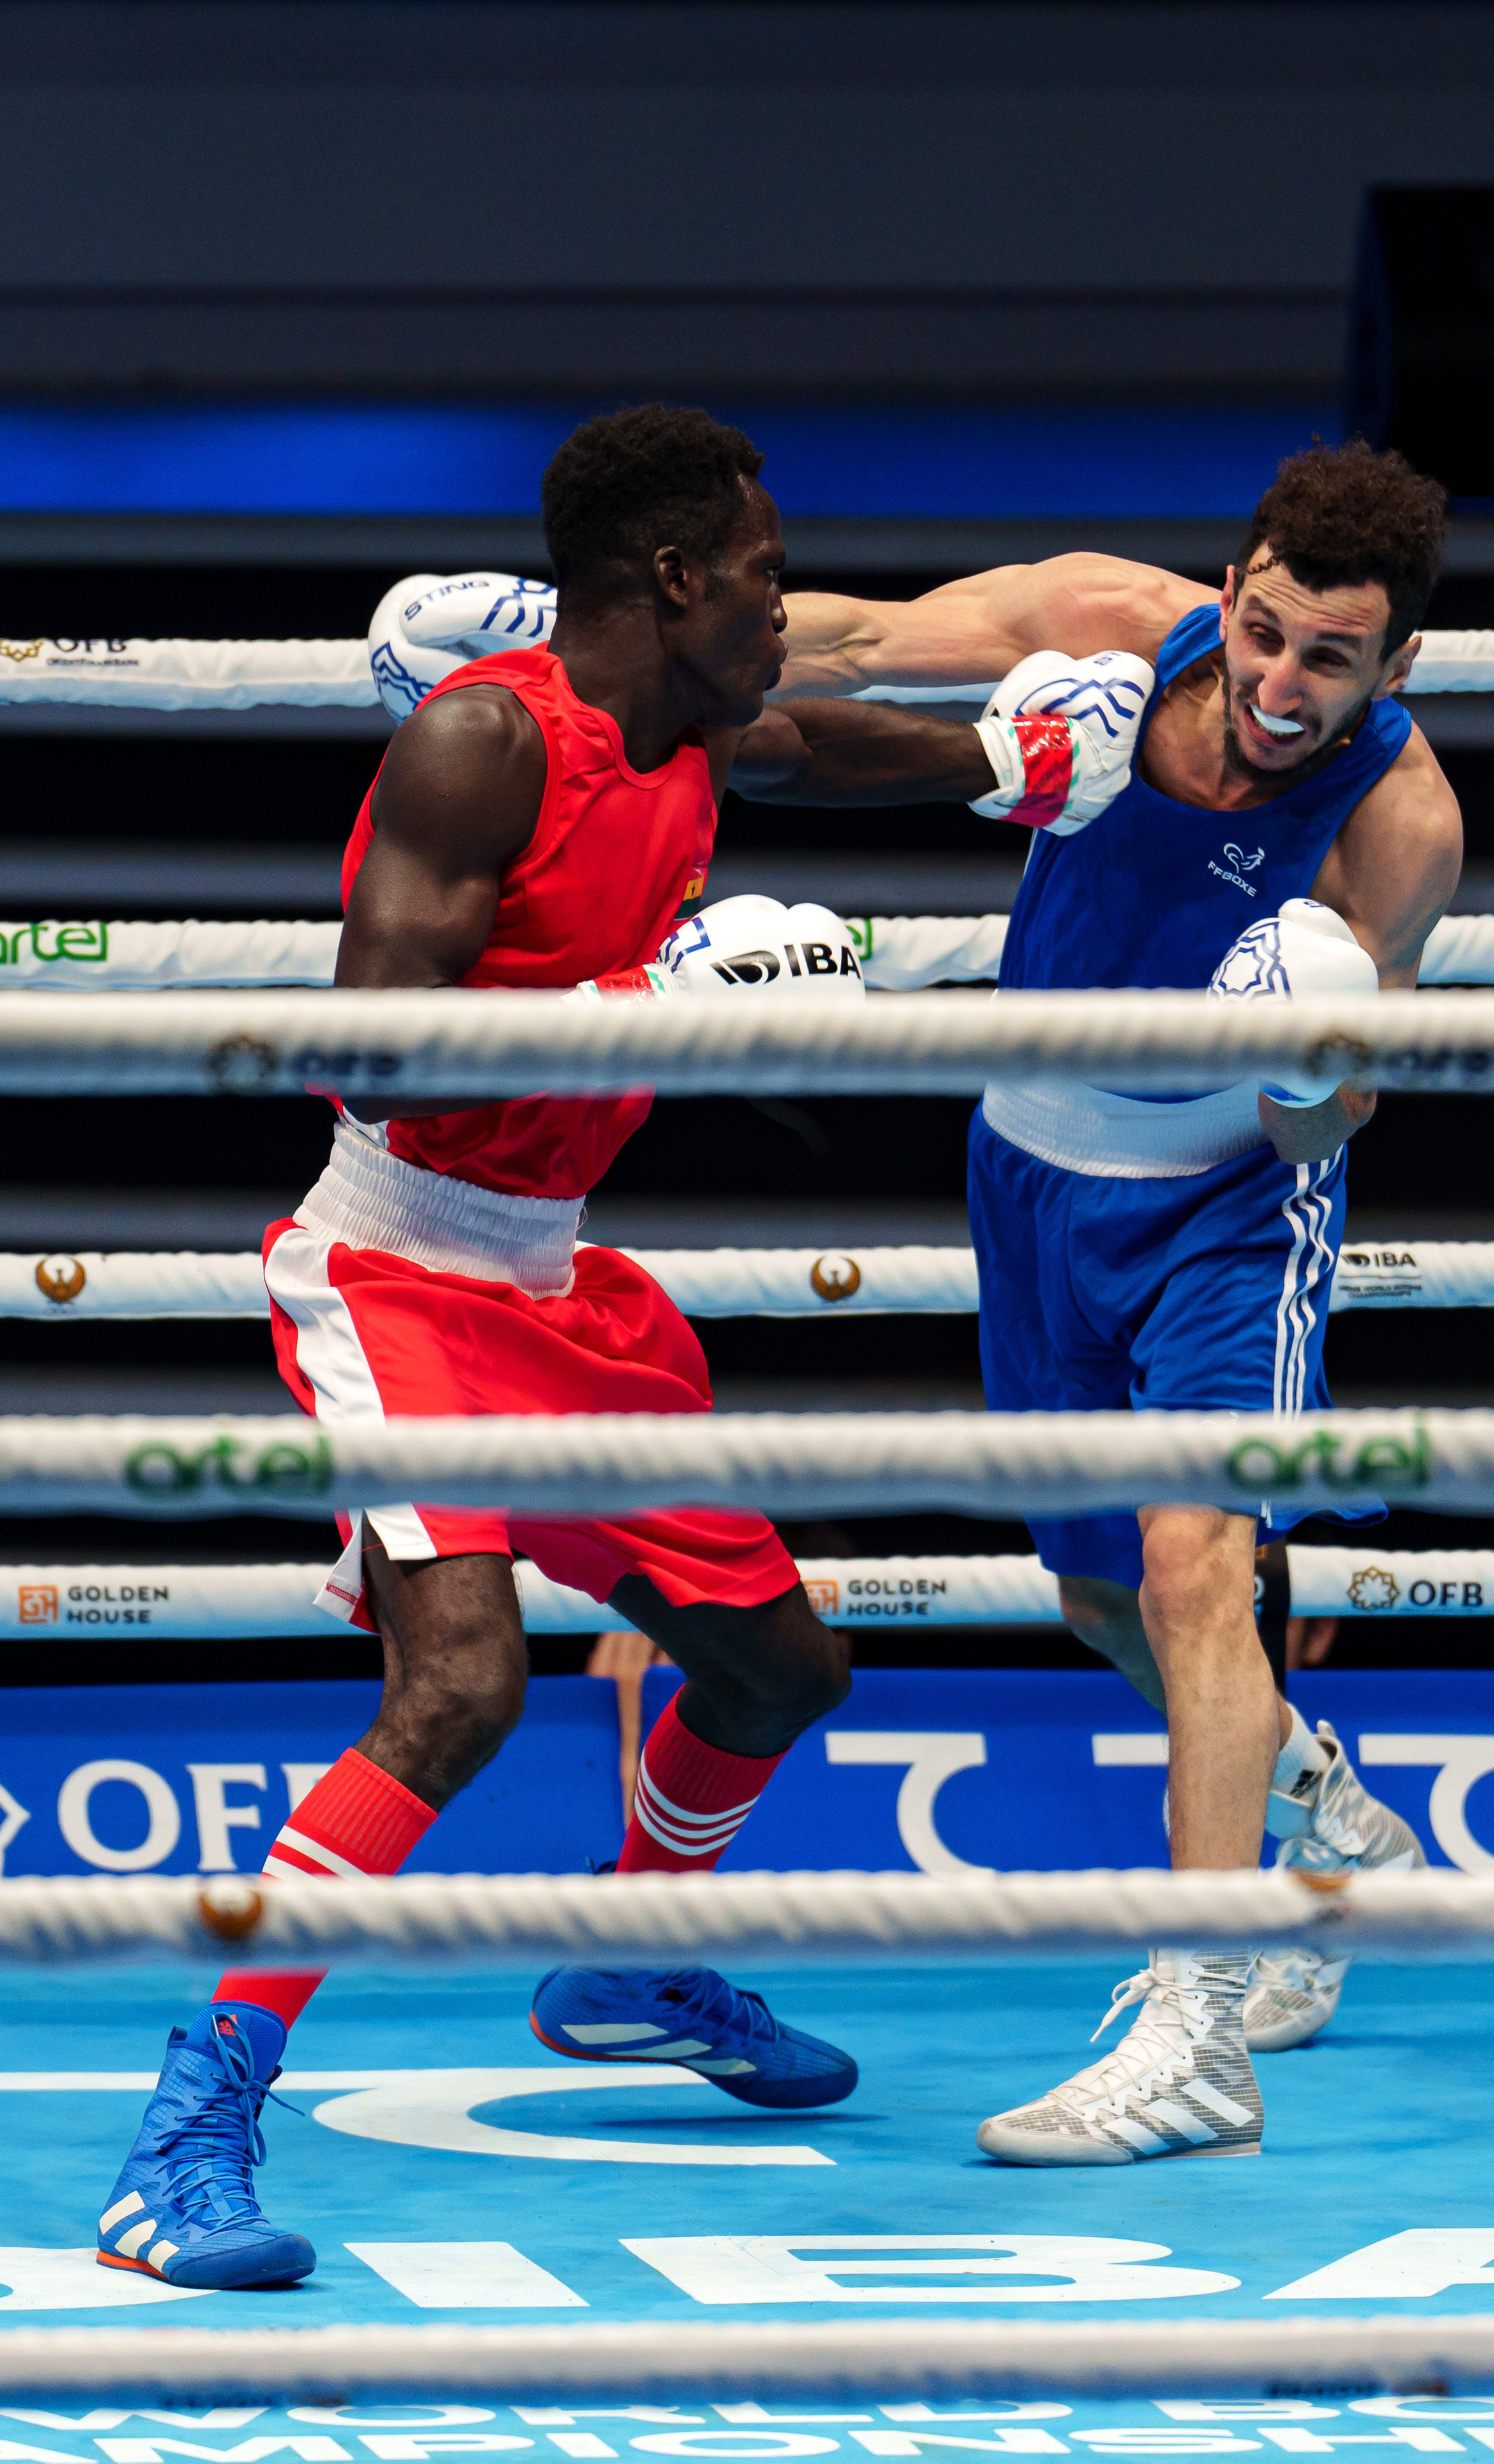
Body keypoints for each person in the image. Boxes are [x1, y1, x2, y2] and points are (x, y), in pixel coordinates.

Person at [94, 406, 896, 2293]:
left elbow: (839, 745)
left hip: (559, 1282)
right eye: (770, 576)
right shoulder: (480, 742)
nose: (791, 607)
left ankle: (629, 1959)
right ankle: (185, 2132)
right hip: (394, 1264)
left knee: (780, 1668)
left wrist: (1052, 769)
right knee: (460, 1686)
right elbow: (376, 1044)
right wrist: (651, 997)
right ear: (678, 578)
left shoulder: (690, 730)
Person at [730, 440, 1463, 2158]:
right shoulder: (1106, 628)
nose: (1283, 686)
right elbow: (838, 646)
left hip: (1230, 1199)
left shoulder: (1398, 820)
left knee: (1197, 1563)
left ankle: (1202, 2032)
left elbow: (1337, 1108)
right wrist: (565, 652)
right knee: (1097, 1604)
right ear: (1231, 590)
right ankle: (1322, 1808)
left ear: (1396, 667)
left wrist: (1300, 1041)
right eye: (1266, 634)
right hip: (1032, 1172)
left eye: (1331, 660)